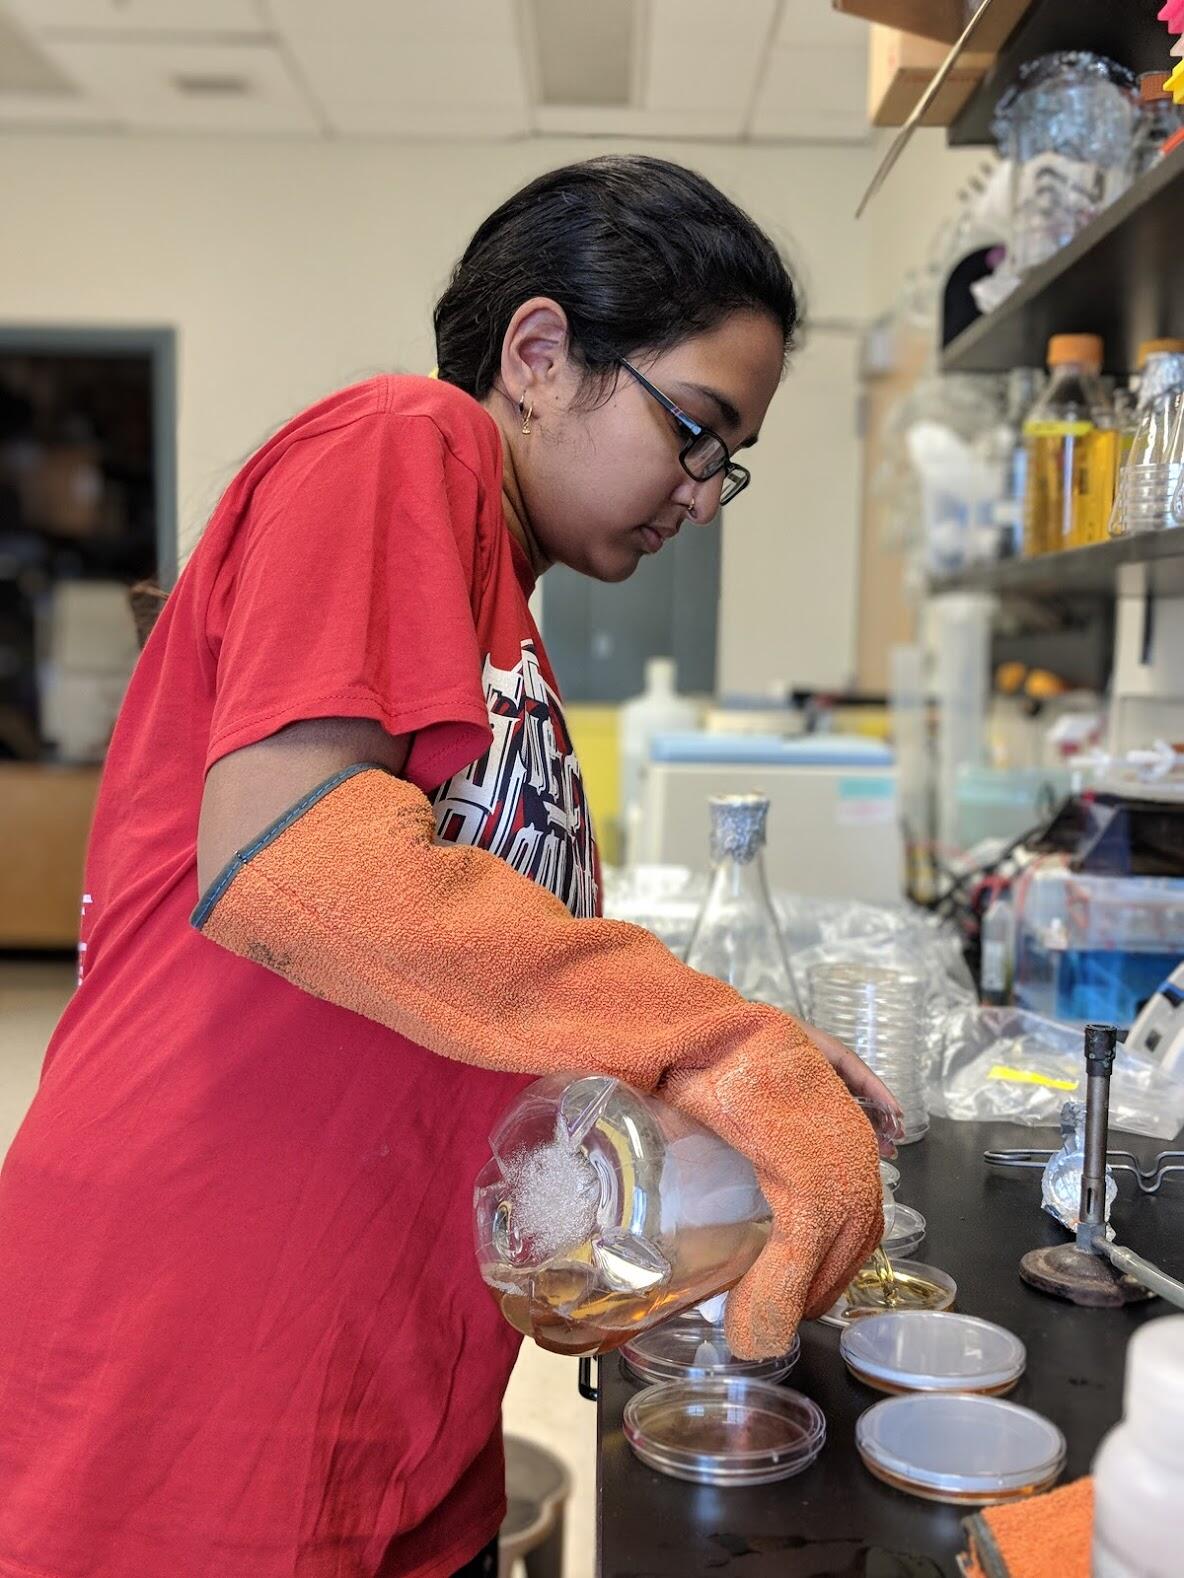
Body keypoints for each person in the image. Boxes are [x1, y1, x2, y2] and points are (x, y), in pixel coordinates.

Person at [0, 155, 891, 1578]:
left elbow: (477, 985)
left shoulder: (504, 633)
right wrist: (705, 1035)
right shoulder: (399, 442)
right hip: (209, 1334)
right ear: (539, 354)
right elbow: (299, 862)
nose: (705, 495)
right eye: (698, 431)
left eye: (731, 460)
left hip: (392, 1361)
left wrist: (705, 1094)